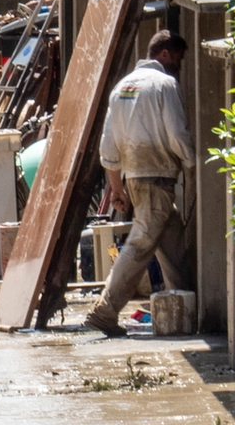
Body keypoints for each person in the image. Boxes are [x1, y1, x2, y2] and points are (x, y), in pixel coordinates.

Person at [84, 31, 196, 337]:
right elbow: (176, 132)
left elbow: (109, 146)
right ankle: (104, 312)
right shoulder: (165, 84)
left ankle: (185, 305)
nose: (180, 67)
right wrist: (192, 163)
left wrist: (117, 188)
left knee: (172, 241)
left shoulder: (123, 86)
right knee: (140, 244)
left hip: (134, 176)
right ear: (165, 54)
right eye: (179, 59)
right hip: (157, 175)